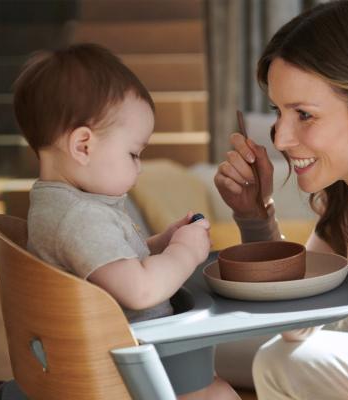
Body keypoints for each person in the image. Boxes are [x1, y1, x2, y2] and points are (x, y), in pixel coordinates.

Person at [12, 43, 239, 400]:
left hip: (123, 357)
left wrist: (160, 244)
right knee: (218, 395)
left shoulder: (60, 205)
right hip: (125, 368)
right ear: (83, 146)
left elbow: (107, 267)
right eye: (133, 153)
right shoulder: (81, 217)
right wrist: (184, 252)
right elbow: (140, 291)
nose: (139, 167)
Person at [214, 1, 348, 399]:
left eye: (304, 115)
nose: (280, 138)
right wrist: (257, 217)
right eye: (279, 111)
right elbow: (298, 325)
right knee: (281, 360)